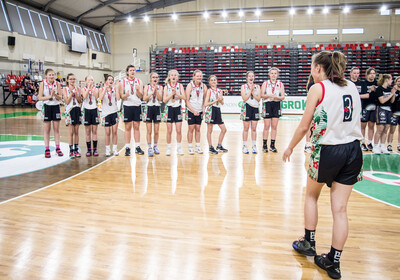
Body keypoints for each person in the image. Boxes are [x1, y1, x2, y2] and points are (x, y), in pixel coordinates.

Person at [283, 51, 363, 280]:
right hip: (353, 150)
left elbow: (302, 126)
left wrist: (289, 147)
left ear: (319, 68)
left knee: (311, 196)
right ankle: (333, 262)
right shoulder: (351, 87)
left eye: (312, 66)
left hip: (329, 150)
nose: (310, 70)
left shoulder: (318, 88)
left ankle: (309, 242)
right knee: (340, 210)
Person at [38, 68, 63, 158]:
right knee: (47, 129)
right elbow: (40, 97)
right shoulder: (43, 84)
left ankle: (58, 148)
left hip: (56, 106)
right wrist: (49, 96)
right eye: (50, 75)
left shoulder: (57, 84)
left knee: (56, 129)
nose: (52, 76)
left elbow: (60, 98)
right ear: (46, 76)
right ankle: (47, 149)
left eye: (53, 75)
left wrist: (54, 95)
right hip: (47, 107)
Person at [119, 65, 144, 156]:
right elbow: (121, 96)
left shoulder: (139, 81)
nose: (132, 72)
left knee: (137, 127)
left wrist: (137, 90)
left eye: (134, 70)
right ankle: (127, 147)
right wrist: (125, 95)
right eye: (131, 70)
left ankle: (137, 146)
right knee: (128, 127)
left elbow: (141, 96)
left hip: (137, 106)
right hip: (127, 106)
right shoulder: (123, 81)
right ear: (127, 72)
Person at [261, 67, 285, 153]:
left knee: (274, 126)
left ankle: (272, 145)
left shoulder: (280, 84)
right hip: (267, 104)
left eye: (275, 73)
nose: (273, 75)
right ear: (269, 75)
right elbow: (262, 95)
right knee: (266, 126)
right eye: (272, 73)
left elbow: (283, 97)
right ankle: (264, 145)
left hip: (276, 104)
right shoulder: (265, 83)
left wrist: (275, 97)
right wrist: (269, 95)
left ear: (277, 75)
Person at [163, 69, 185, 156]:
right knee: (169, 130)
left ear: (177, 77)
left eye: (175, 75)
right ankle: (168, 148)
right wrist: (171, 94)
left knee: (179, 130)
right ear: (169, 77)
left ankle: (179, 148)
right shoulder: (166, 87)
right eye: (171, 75)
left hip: (178, 109)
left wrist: (177, 94)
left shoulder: (180, 86)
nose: (173, 76)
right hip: (169, 109)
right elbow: (164, 100)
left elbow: (184, 97)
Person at [204, 75, 228, 154]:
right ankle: (210, 147)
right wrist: (215, 101)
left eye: (215, 80)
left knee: (224, 129)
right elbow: (206, 103)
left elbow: (222, 103)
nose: (213, 81)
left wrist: (220, 100)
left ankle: (219, 146)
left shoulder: (220, 91)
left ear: (217, 81)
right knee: (210, 130)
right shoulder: (209, 91)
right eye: (212, 80)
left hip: (217, 110)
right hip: (211, 110)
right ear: (209, 82)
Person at [186, 69, 207, 155]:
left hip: (199, 110)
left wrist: (204, 108)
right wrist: (193, 110)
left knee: (198, 129)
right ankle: (190, 147)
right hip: (191, 110)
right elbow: (186, 101)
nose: (199, 77)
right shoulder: (190, 85)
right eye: (197, 76)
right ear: (194, 77)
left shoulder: (204, 86)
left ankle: (198, 146)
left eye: (200, 76)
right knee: (191, 128)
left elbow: (205, 99)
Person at [372, 74, 395, 154]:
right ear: (386, 80)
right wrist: (391, 94)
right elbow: (382, 101)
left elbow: (392, 101)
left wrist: (393, 94)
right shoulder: (379, 89)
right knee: (380, 129)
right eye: (391, 79)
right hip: (381, 109)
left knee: (386, 129)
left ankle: (382, 146)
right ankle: (375, 146)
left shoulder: (390, 89)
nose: (392, 81)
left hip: (389, 110)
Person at [99, 75, 120, 156]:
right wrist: (105, 88)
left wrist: (117, 88)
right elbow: (100, 99)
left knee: (115, 132)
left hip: (114, 112)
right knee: (107, 132)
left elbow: (118, 98)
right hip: (105, 113)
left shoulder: (114, 89)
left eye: (112, 79)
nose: (111, 81)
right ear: (106, 81)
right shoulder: (101, 89)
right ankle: (107, 150)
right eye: (109, 79)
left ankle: (114, 149)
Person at [143, 72, 163, 156]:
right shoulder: (147, 87)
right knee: (149, 130)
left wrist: (156, 91)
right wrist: (151, 93)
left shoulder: (160, 87)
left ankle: (155, 146)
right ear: (150, 79)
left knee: (156, 130)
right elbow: (144, 98)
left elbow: (160, 98)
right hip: (149, 108)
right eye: (153, 77)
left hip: (157, 108)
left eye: (157, 77)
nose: (155, 79)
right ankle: (149, 147)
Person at [241, 71, 261, 154]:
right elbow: (244, 98)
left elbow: (259, 99)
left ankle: (254, 146)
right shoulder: (244, 86)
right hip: (247, 107)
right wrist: (250, 91)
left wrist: (253, 91)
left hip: (255, 108)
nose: (251, 77)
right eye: (249, 76)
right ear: (247, 78)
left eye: (252, 76)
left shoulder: (257, 86)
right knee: (246, 128)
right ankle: (244, 146)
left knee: (254, 128)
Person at [63, 73, 82, 159]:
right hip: (69, 110)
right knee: (71, 132)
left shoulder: (78, 88)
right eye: (70, 79)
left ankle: (76, 149)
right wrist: (71, 93)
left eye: (74, 79)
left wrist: (77, 94)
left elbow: (79, 101)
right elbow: (66, 102)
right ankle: (71, 150)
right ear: (67, 80)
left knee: (76, 131)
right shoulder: (65, 89)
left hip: (77, 109)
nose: (72, 81)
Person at [81, 75, 100, 157]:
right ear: (85, 81)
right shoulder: (83, 89)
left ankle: (95, 149)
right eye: (89, 80)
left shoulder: (96, 89)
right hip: (87, 110)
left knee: (95, 130)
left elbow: (97, 97)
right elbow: (84, 96)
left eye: (92, 80)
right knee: (88, 131)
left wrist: (92, 89)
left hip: (94, 109)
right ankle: (89, 150)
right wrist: (88, 88)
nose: (90, 82)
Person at [361, 67, 378, 151]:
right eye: (371, 73)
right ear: (367, 74)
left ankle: (370, 143)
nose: (372, 75)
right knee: (363, 125)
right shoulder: (363, 83)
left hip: (374, 107)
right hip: (365, 106)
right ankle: (362, 142)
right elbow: (365, 95)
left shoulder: (377, 83)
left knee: (371, 126)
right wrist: (370, 91)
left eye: (374, 73)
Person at [388, 76, 400, 152]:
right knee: (392, 130)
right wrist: (394, 93)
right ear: (395, 82)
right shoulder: (393, 90)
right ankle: (389, 144)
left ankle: (399, 145)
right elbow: (392, 101)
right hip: (394, 112)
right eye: (398, 81)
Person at [304, 74, 314, 153]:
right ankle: (308, 144)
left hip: (318, 107)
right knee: (310, 126)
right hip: (313, 107)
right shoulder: (312, 84)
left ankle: (311, 143)